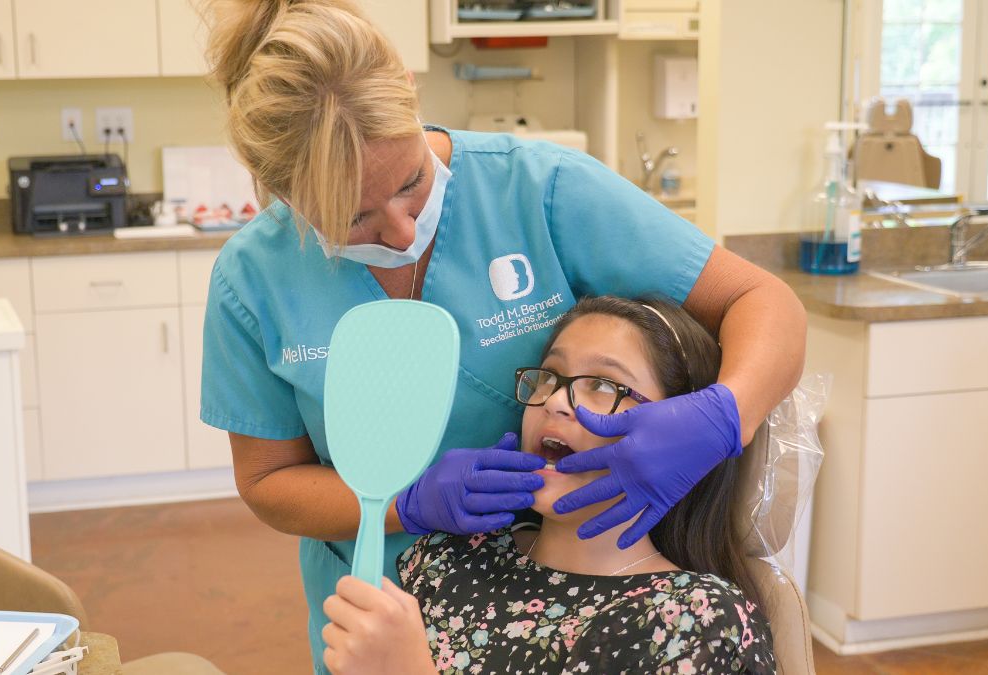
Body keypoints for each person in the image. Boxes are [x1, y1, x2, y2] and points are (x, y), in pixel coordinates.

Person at [198, 1, 806, 670]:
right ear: (282, 195)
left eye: (412, 183)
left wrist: (721, 417)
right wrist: (409, 503)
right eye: (355, 218)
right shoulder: (253, 279)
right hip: (386, 613)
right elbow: (268, 481)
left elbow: (762, 300)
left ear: (409, 89)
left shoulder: (541, 191)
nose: (402, 231)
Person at [321, 296, 777, 674]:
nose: (556, 400)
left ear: (678, 438)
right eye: (550, 376)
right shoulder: (449, 558)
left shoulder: (698, 620)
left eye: (603, 384)